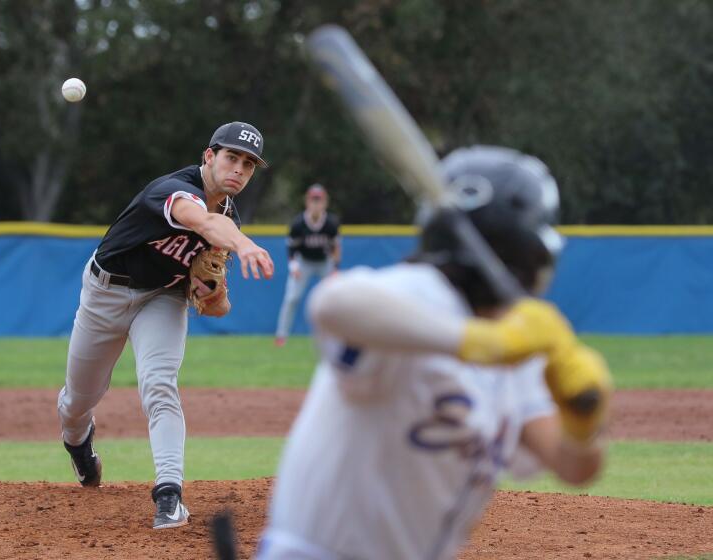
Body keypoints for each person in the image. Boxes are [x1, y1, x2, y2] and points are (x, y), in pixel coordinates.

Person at [257, 146, 612, 559]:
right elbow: (331, 305)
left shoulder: (516, 337)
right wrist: (477, 343)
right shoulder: (416, 295)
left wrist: (583, 421)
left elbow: (573, 467)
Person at [57, 121, 274, 530]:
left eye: (249, 164)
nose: (239, 169)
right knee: (79, 400)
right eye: (231, 157)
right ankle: (78, 441)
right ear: (208, 156)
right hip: (106, 293)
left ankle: (169, 495)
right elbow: (204, 222)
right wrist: (244, 245)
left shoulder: (230, 219)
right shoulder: (172, 191)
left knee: (159, 385)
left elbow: (219, 307)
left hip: (162, 297)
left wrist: (213, 294)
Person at [274, 184, 341, 347]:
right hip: (303, 262)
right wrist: (294, 267)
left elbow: (336, 248)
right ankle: (281, 336)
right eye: (313, 200)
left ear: (325, 202)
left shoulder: (331, 223)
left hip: (324, 262)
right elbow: (291, 249)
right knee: (292, 297)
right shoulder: (298, 224)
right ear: (307, 202)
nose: (316, 204)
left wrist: (335, 269)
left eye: (319, 200)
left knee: (334, 298)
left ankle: (337, 336)